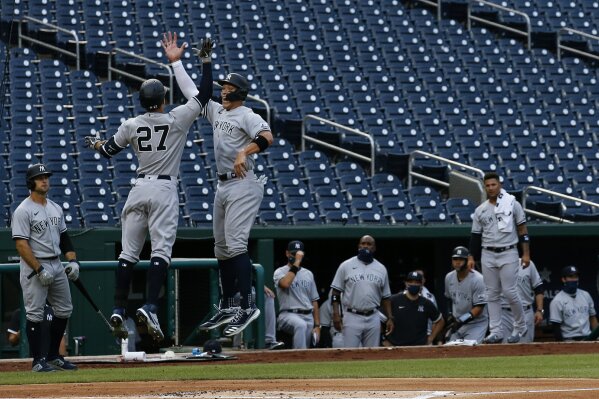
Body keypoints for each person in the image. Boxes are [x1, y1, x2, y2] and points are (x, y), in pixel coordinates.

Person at [162, 32, 273, 336]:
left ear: (240, 92)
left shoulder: (247, 114)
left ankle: (248, 305)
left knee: (236, 244)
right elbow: (191, 92)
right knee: (222, 249)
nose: (223, 90)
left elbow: (267, 138)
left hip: (244, 183)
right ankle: (228, 303)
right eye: (222, 86)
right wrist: (177, 64)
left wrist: (244, 150)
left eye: (228, 87)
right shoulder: (217, 111)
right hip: (224, 185)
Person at [84, 75, 203, 342]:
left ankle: (118, 308)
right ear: (163, 99)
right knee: (160, 250)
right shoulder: (176, 118)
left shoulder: (131, 124)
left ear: (141, 101)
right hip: (163, 188)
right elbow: (203, 95)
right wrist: (205, 64)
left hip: (138, 188)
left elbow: (108, 151)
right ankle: (150, 306)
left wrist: (97, 144)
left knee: (128, 254)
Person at [11, 163, 80, 371]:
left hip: (57, 262)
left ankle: (52, 356)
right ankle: (37, 361)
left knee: (64, 309)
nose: (44, 180)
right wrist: (39, 269)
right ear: (30, 182)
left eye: (46, 177)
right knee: (34, 313)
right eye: (40, 177)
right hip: (35, 265)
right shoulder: (23, 210)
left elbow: (65, 238)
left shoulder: (55, 207)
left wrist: (73, 261)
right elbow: (21, 245)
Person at [468, 172, 530, 344]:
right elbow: (475, 236)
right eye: (487, 186)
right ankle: (496, 331)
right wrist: (472, 256)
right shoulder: (480, 210)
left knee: (510, 291)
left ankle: (520, 326)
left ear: (499, 185)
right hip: (487, 252)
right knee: (492, 294)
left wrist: (526, 253)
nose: (490, 188)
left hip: (509, 251)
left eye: (493, 185)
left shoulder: (512, 204)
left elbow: (523, 230)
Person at [331, 235, 394, 348]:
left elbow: (386, 297)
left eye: (369, 244)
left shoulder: (381, 268)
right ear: (358, 246)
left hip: (373, 316)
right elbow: (335, 292)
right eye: (363, 243)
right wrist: (336, 314)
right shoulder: (346, 265)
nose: (365, 246)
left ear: (374, 248)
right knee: (350, 352)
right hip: (352, 315)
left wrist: (389, 317)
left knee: (372, 354)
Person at [273, 241, 320, 349]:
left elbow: (314, 300)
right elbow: (285, 283)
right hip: (288, 314)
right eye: (293, 254)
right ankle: (299, 357)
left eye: (298, 254)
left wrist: (317, 325)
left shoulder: (308, 274)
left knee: (306, 346)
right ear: (287, 253)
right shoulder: (279, 271)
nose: (295, 256)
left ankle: (301, 361)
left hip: (308, 315)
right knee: (300, 325)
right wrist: (297, 261)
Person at [384, 271, 444, 346]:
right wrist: (384, 339)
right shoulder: (394, 300)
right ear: (406, 283)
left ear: (421, 284)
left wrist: (431, 338)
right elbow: (380, 318)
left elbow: (440, 321)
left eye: (416, 282)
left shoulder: (426, 303)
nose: (413, 284)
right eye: (410, 281)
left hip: (419, 347)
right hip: (396, 346)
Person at [444, 246, 488, 343]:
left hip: (476, 323)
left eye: (461, 259)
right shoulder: (449, 277)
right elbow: (448, 298)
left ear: (467, 260)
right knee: (449, 351)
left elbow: (479, 307)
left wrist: (461, 320)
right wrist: (450, 314)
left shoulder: (478, 279)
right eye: (455, 259)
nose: (457, 262)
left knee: (470, 351)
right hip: (457, 323)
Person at [500, 258, 544, 343]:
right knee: (504, 350)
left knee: (525, 349)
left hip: (525, 312)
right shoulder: (496, 265)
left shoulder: (528, 264)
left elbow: (538, 288)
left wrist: (540, 310)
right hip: (504, 314)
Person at [550, 266, 598, 341]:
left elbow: (592, 317)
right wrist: (562, 345)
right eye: (571, 277)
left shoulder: (586, 295)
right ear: (563, 279)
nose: (574, 279)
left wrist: (597, 337)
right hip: (569, 340)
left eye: (576, 277)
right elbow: (556, 327)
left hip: (588, 337)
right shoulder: (557, 301)